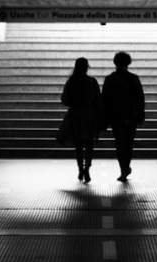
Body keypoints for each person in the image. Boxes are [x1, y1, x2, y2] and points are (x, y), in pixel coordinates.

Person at [101, 51, 145, 182]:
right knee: (129, 143)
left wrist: (105, 117)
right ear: (128, 63)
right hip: (131, 116)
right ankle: (126, 167)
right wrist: (140, 114)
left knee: (120, 143)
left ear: (115, 62)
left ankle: (123, 169)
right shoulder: (134, 78)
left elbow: (105, 100)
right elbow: (140, 98)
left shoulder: (110, 79)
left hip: (116, 117)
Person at [61, 57, 101, 183]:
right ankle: (87, 169)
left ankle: (80, 169)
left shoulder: (71, 82)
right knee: (89, 144)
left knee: (78, 145)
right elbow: (98, 100)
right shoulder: (92, 81)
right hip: (89, 116)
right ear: (87, 67)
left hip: (75, 116)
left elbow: (64, 99)